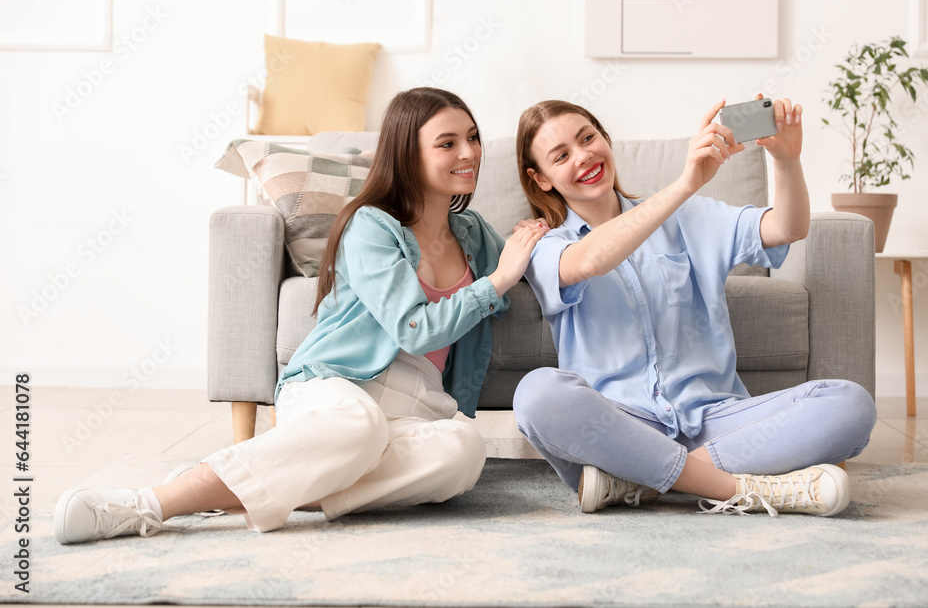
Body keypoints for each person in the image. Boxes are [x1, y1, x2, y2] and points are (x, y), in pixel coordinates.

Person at [54, 87, 550, 544]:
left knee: (463, 451)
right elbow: (415, 329)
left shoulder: (472, 232)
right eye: (448, 143)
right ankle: (149, 505)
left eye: (473, 138)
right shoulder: (370, 225)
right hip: (338, 385)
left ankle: (246, 484)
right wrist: (497, 282)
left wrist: (559, 230)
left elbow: (544, 271)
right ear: (408, 154)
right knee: (359, 428)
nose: (469, 153)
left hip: (418, 401)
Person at [512, 95, 877, 517]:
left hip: (716, 423)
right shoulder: (542, 245)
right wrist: (685, 183)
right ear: (540, 179)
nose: (584, 156)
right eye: (561, 156)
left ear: (606, 139)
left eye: (588, 138)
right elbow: (590, 260)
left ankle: (636, 481)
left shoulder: (689, 217)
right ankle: (739, 486)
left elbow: (786, 227)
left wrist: (787, 159)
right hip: (620, 429)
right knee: (537, 394)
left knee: (851, 404)